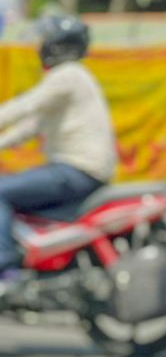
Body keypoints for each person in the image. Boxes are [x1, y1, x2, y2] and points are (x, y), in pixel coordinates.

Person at [0, 15, 116, 278]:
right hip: (78, 171)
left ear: (57, 45)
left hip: (75, 170)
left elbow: (24, 107)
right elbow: (29, 127)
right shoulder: (73, 79)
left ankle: (5, 270)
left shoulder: (69, 75)